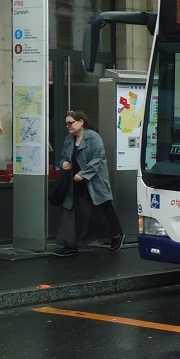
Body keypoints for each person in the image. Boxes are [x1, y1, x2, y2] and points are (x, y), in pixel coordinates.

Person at [56, 110, 124, 256]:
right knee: (72, 211)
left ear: (81, 122)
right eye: (66, 123)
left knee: (104, 207)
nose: (68, 126)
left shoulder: (93, 137)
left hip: (94, 180)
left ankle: (116, 235)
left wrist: (83, 173)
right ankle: (71, 244)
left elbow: (99, 158)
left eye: (71, 123)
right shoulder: (69, 139)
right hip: (74, 182)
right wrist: (63, 164)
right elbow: (62, 157)